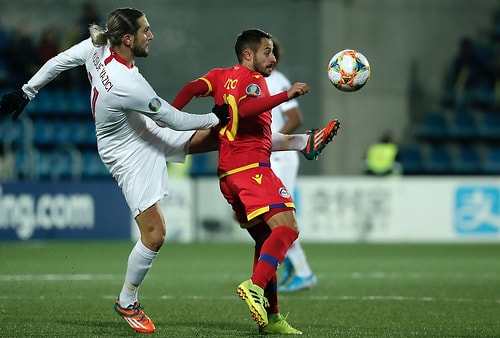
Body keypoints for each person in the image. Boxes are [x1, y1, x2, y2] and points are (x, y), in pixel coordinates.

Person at [0, 7, 231, 334]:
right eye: (145, 31)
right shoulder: (126, 82)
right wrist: (213, 116)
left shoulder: (98, 46)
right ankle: (127, 300)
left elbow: (58, 61)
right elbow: (173, 119)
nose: (151, 35)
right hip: (126, 152)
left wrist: (27, 91)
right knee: (155, 235)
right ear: (127, 38)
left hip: (138, 128)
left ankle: (295, 143)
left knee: (224, 138)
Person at [172, 28, 340, 335]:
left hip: (229, 173)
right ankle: (255, 285)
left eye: (273, 51)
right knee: (288, 228)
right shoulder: (253, 82)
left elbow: (191, 87)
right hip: (251, 168)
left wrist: (170, 115)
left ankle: (273, 317)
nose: (273, 57)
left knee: (266, 242)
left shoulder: (220, 76)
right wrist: (285, 95)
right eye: (267, 51)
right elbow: (247, 110)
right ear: (248, 54)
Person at [266, 38, 318, 293]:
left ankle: (303, 271)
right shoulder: (258, 81)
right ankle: (288, 262)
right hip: (269, 156)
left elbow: (296, 118)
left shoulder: (276, 81)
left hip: (279, 157)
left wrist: (271, 142)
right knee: (267, 217)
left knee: (279, 215)